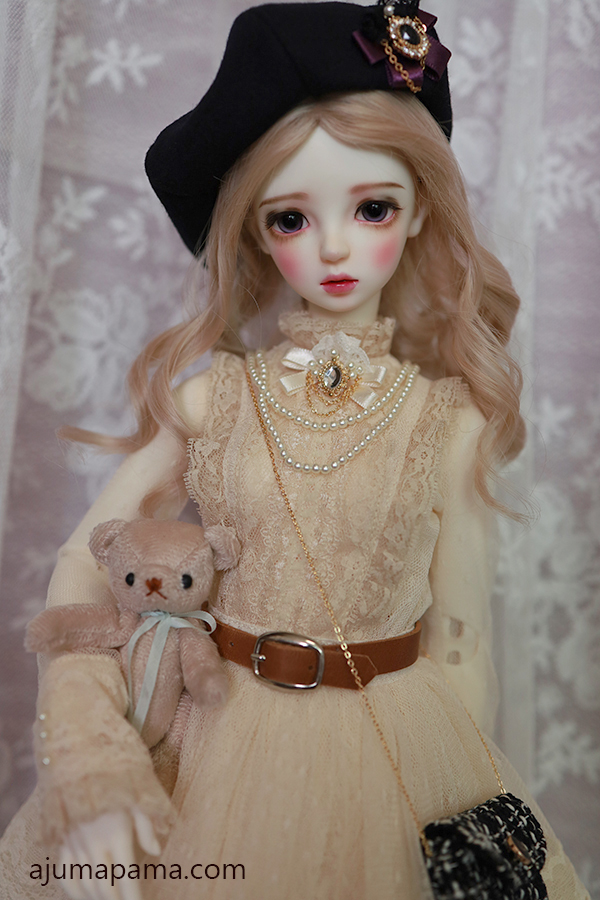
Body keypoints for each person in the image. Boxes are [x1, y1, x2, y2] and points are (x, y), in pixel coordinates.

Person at [0, 3, 590, 899]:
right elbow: (87, 558)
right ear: (254, 230)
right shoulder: (214, 400)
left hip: (398, 741)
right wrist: (90, 757)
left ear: (420, 212)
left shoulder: (447, 420)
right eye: (290, 220)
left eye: (373, 207)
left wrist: (458, 814)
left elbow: (462, 642)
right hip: (219, 727)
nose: (336, 245)